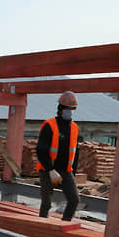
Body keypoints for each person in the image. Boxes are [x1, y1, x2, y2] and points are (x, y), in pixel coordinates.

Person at [36, 91, 80, 221]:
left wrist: (73, 173)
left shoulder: (74, 128)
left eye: (72, 109)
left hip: (66, 171)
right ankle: (42, 224)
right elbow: (41, 150)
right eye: (67, 108)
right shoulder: (49, 125)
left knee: (74, 200)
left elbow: (75, 152)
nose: (70, 111)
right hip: (48, 170)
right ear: (60, 108)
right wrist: (50, 170)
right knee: (46, 203)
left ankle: (65, 224)